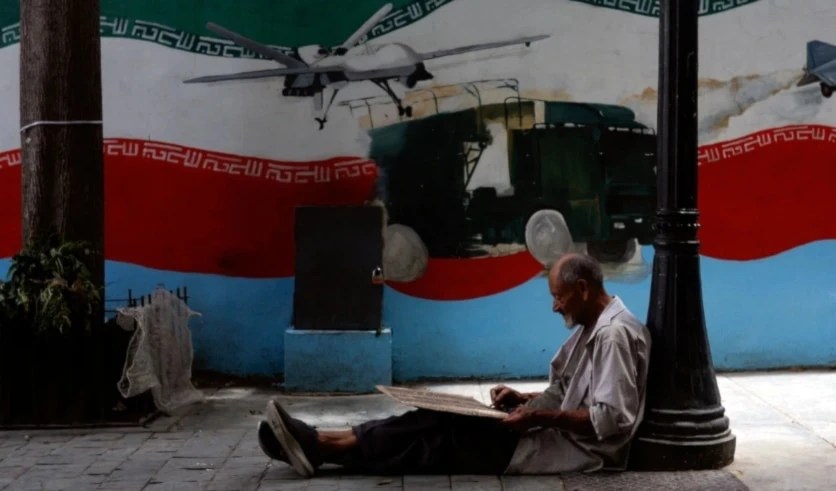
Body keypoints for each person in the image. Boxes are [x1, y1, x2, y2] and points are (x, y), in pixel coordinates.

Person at [257, 253, 651, 477]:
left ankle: (324, 446)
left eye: (559, 297)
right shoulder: (596, 326)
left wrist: (539, 417)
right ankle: (326, 440)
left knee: (436, 442)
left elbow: (611, 418)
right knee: (434, 418)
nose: (555, 306)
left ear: (582, 289)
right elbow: (574, 391)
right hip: (544, 429)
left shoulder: (612, 335)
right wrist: (524, 399)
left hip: (565, 448)